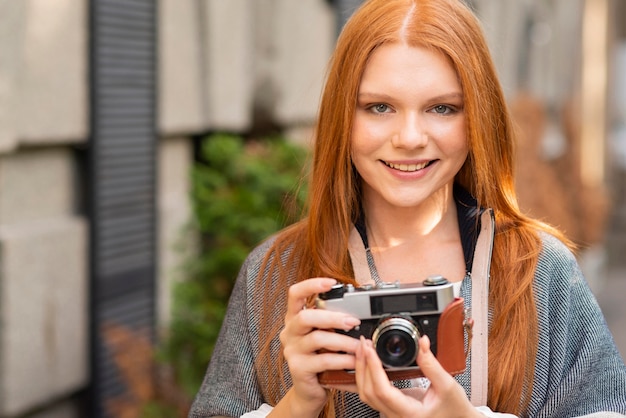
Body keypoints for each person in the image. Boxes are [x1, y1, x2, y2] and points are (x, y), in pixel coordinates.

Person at [188, 0, 626, 417]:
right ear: (343, 115)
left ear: (477, 118)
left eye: (442, 108)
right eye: (379, 107)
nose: (410, 137)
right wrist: (298, 404)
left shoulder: (537, 269)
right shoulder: (277, 271)